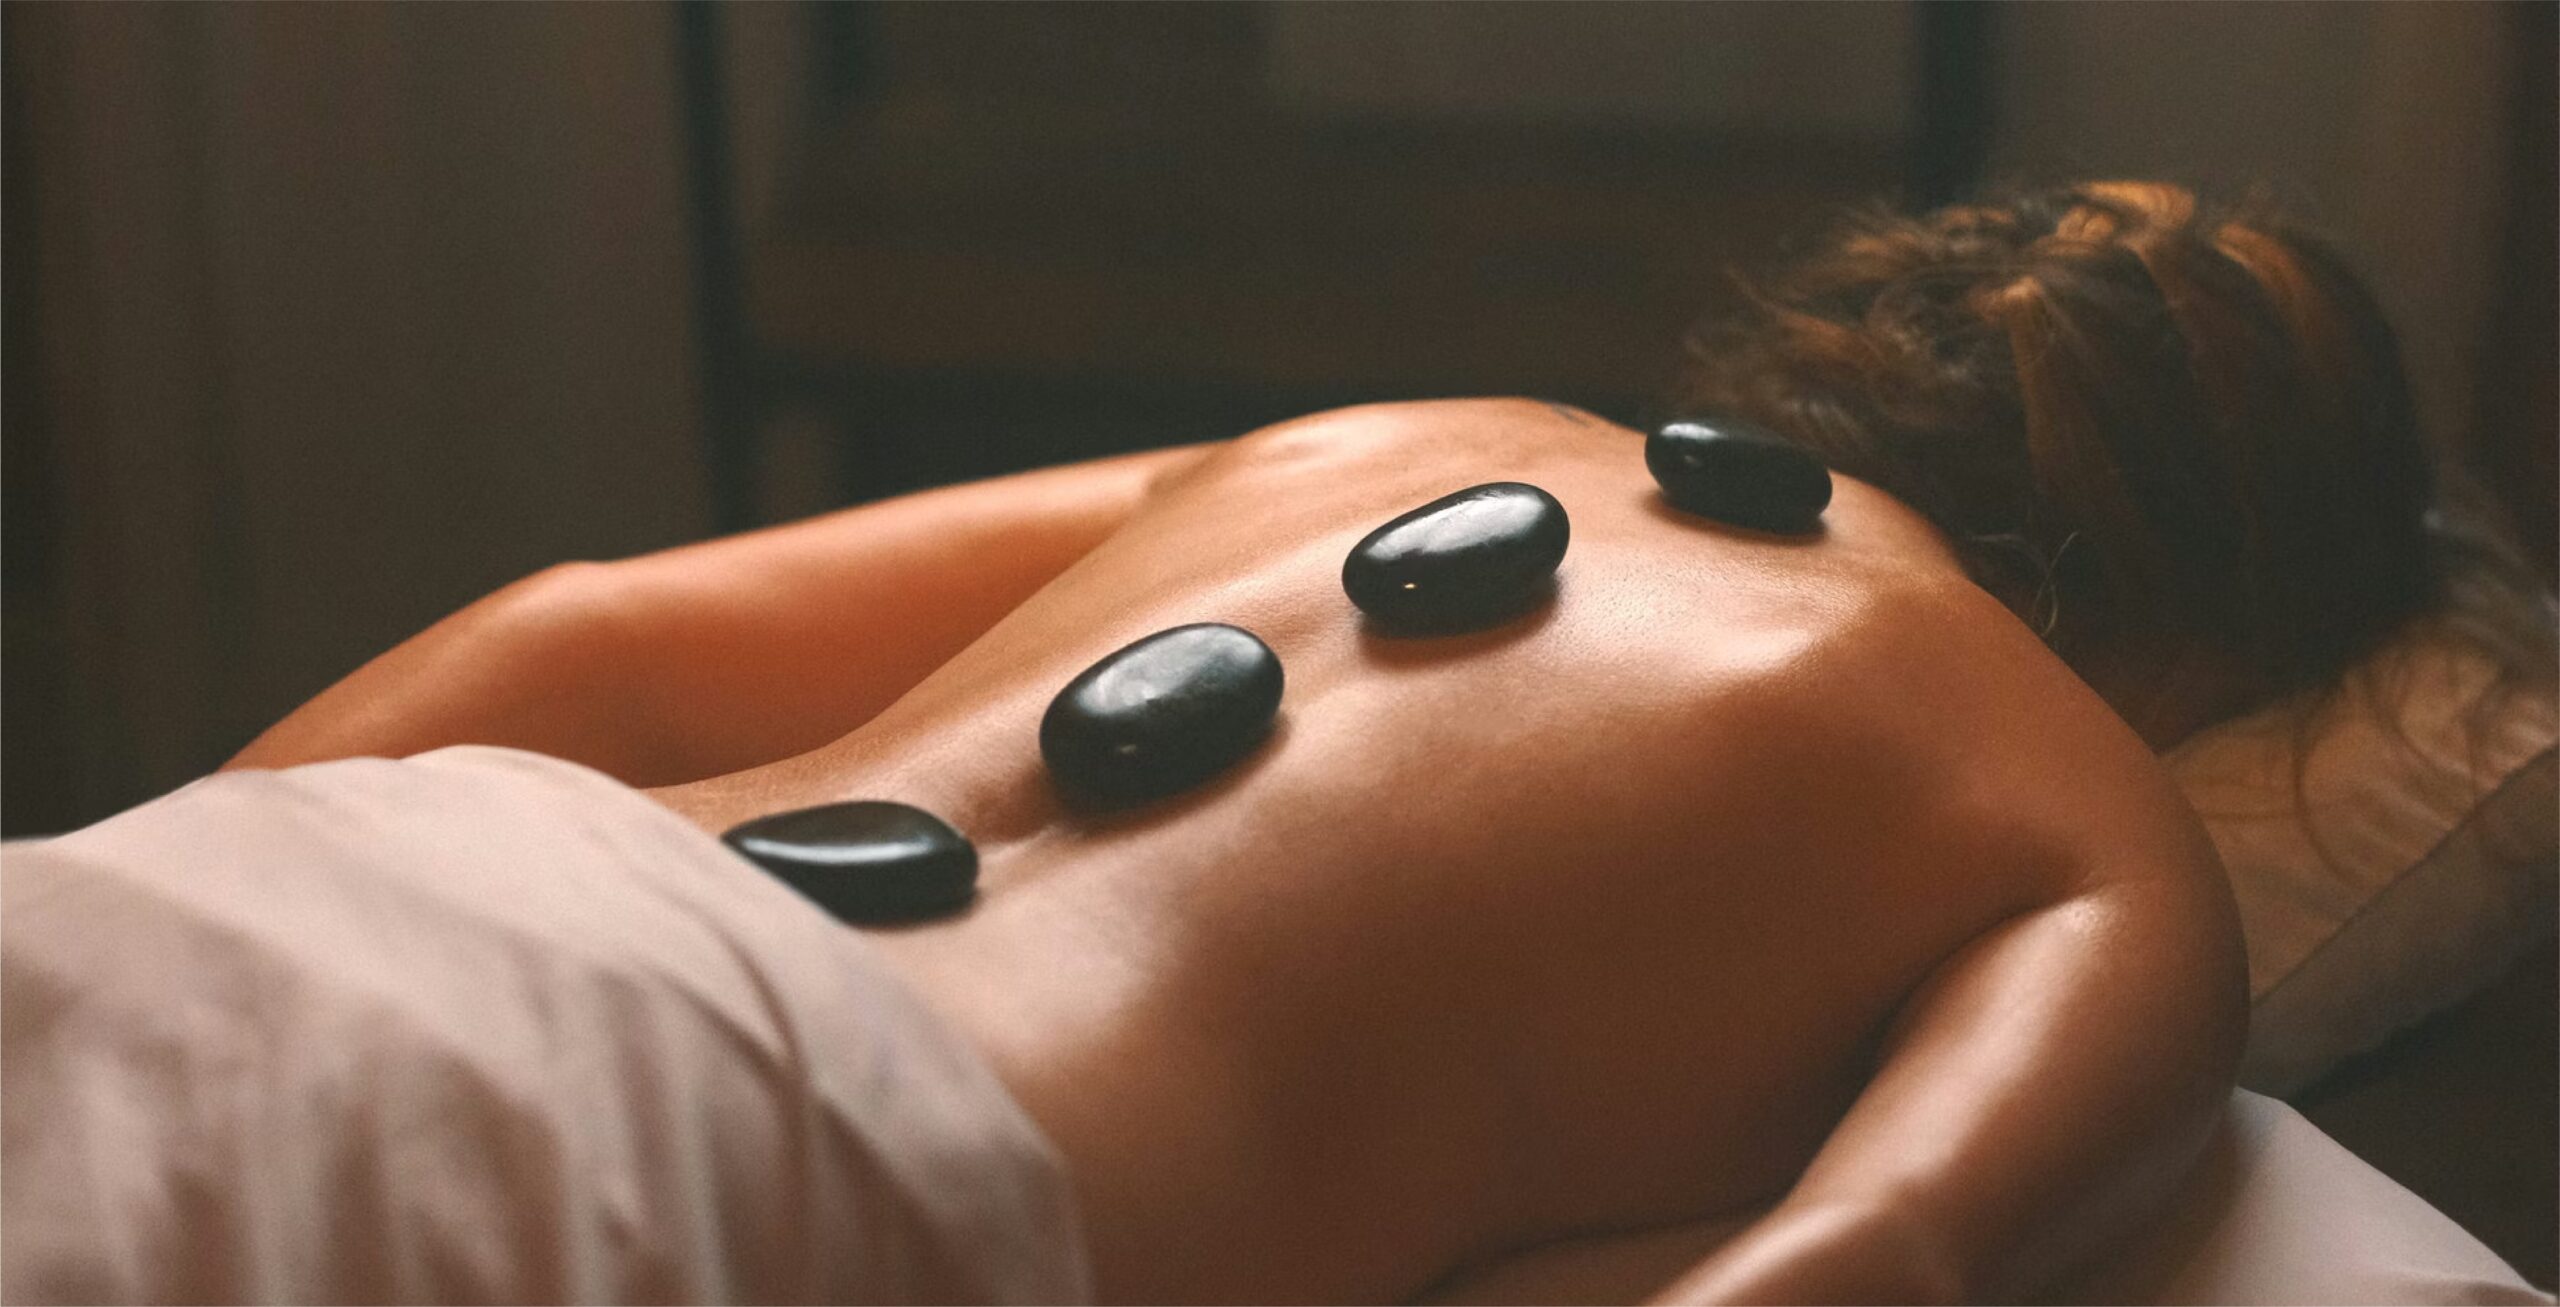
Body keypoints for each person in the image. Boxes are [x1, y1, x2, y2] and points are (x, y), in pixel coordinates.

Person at [7, 182, 2525, 1304]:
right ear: (2247, 642)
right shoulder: (2081, 823)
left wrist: (197, 881)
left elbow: (574, 639)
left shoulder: (1410, 435)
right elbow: (1863, 1269)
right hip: (791, 1165)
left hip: (334, 898)